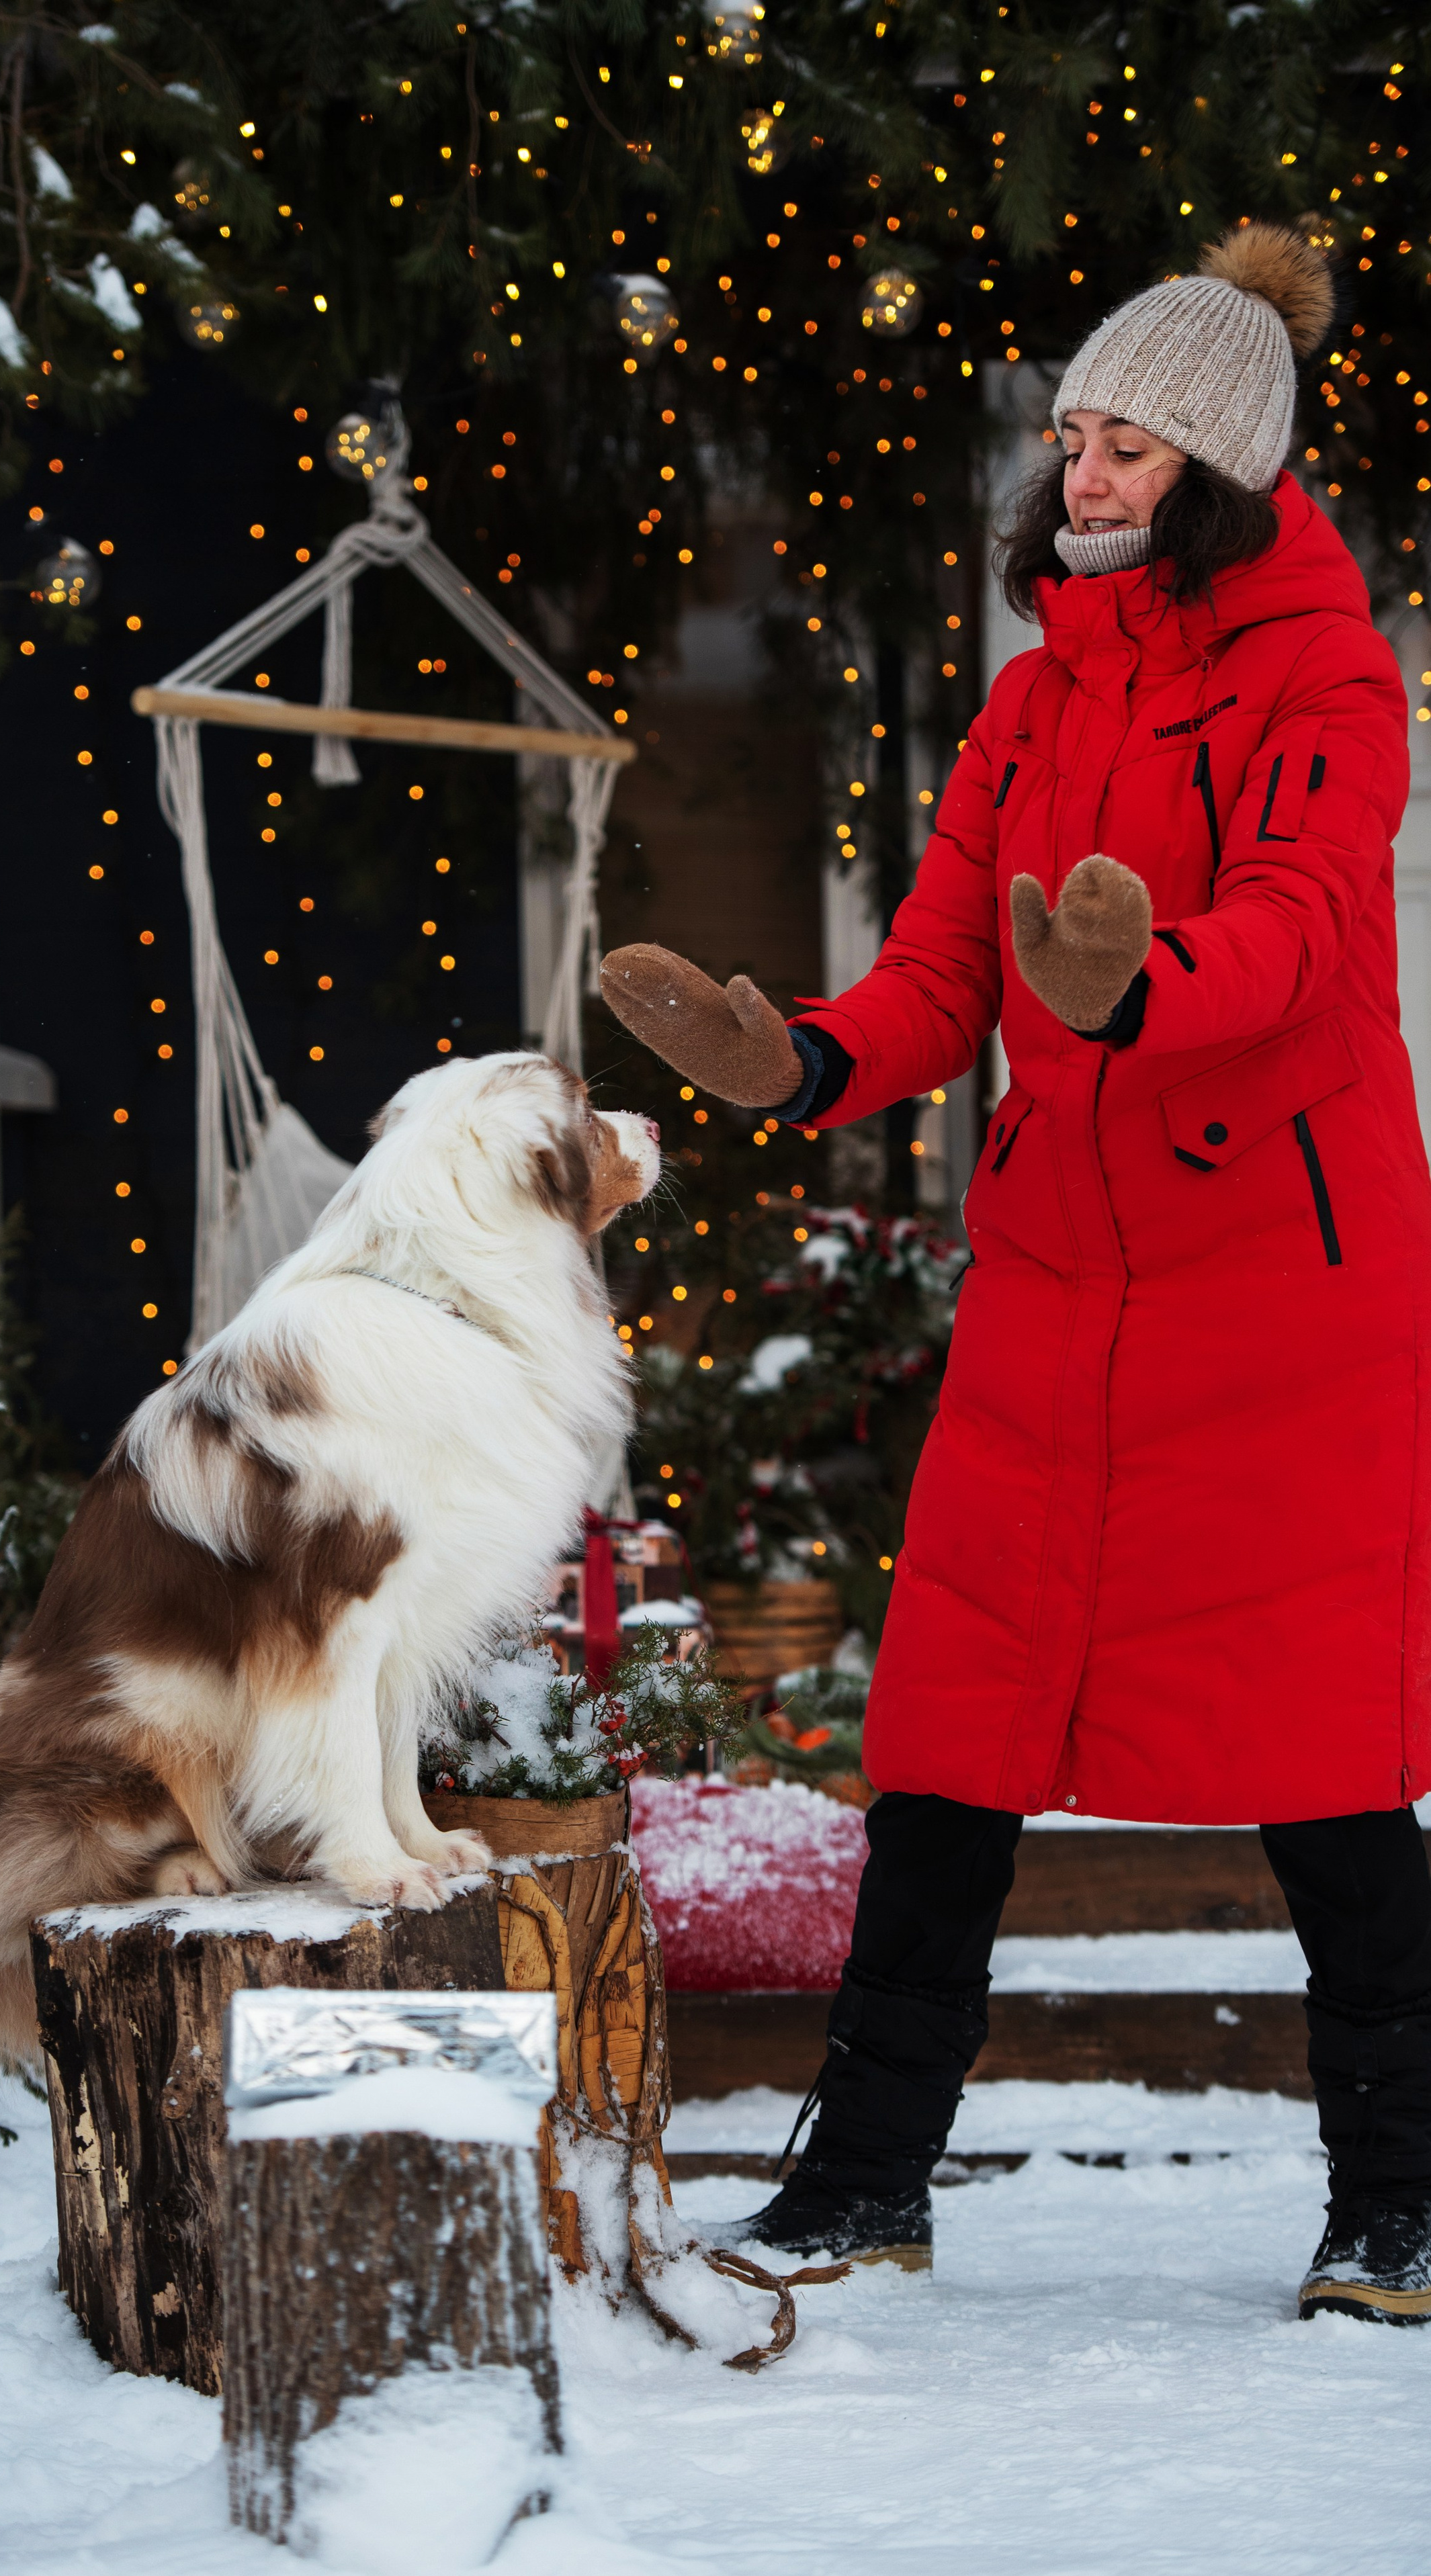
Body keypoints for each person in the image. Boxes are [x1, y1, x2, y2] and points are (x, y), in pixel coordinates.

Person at [601, 224, 1431, 2327]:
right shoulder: (1033, 703)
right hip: (1060, 1285)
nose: (1086, 469)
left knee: (1327, 1766)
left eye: (1129, 442)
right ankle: (865, 2180)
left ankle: (1401, 2205)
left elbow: (1306, 928)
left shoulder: (1333, 680)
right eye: (1075, 434)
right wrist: (799, 1057)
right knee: (947, 1746)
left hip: (1285, 1294)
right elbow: (947, 967)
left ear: (1220, 468)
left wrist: (1139, 982)